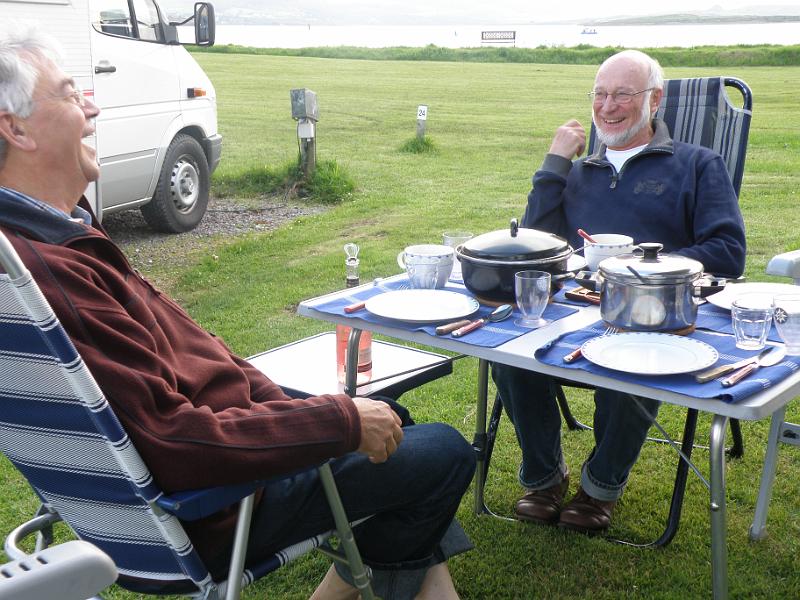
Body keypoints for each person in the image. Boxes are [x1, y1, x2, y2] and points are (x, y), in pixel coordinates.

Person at [0, 24, 476, 600]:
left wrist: (307, 408)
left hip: (219, 455)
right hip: (219, 503)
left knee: (396, 421)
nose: (93, 104)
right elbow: (176, 445)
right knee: (443, 452)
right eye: (73, 93)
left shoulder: (44, 242)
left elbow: (175, 381)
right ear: (15, 128)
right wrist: (339, 424)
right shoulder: (49, 273)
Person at [493, 50, 746, 534]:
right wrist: (553, 164)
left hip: (654, 309)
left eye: (623, 95)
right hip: (573, 309)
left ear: (655, 99)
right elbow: (536, 245)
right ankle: (546, 477)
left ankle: (600, 487)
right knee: (505, 346)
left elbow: (728, 251)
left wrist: (644, 269)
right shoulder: (580, 168)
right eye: (600, 94)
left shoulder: (697, 164)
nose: (608, 107)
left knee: (639, 352)